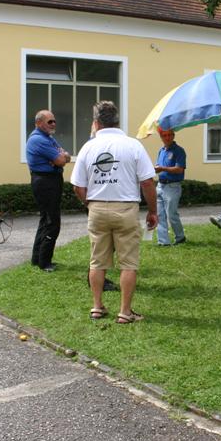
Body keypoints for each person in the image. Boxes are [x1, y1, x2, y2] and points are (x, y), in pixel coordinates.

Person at [71, 101, 158, 323]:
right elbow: (148, 182)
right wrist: (153, 211)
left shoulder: (88, 147)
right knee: (128, 263)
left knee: (97, 261)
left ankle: (97, 307)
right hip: (126, 208)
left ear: (95, 123)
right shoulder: (132, 145)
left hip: (97, 207)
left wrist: (89, 204)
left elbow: (77, 186)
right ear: (117, 121)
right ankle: (125, 312)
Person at [26, 110, 71, 272]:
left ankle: (37, 258)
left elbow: (66, 156)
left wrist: (61, 157)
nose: (53, 124)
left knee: (45, 220)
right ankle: (44, 262)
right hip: (45, 181)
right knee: (52, 222)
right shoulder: (39, 140)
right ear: (39, 123)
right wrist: (59, 158)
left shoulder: (48, 138)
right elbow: (61, 159)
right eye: (49, 122)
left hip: (49, 180)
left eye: (54, 121)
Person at [155, 128, 187, 246]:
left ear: (173, 136)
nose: (167, 137)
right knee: (160, 214)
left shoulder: (179, 151)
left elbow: (179, 169)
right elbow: (159, 166)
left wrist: (162, 168)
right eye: (164, 135)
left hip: (172, 186)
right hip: (160, 185)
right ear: (161, 137)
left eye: (169, 135)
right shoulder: (161, 150)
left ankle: (180, 237)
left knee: (171, 214)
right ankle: (163, 241)